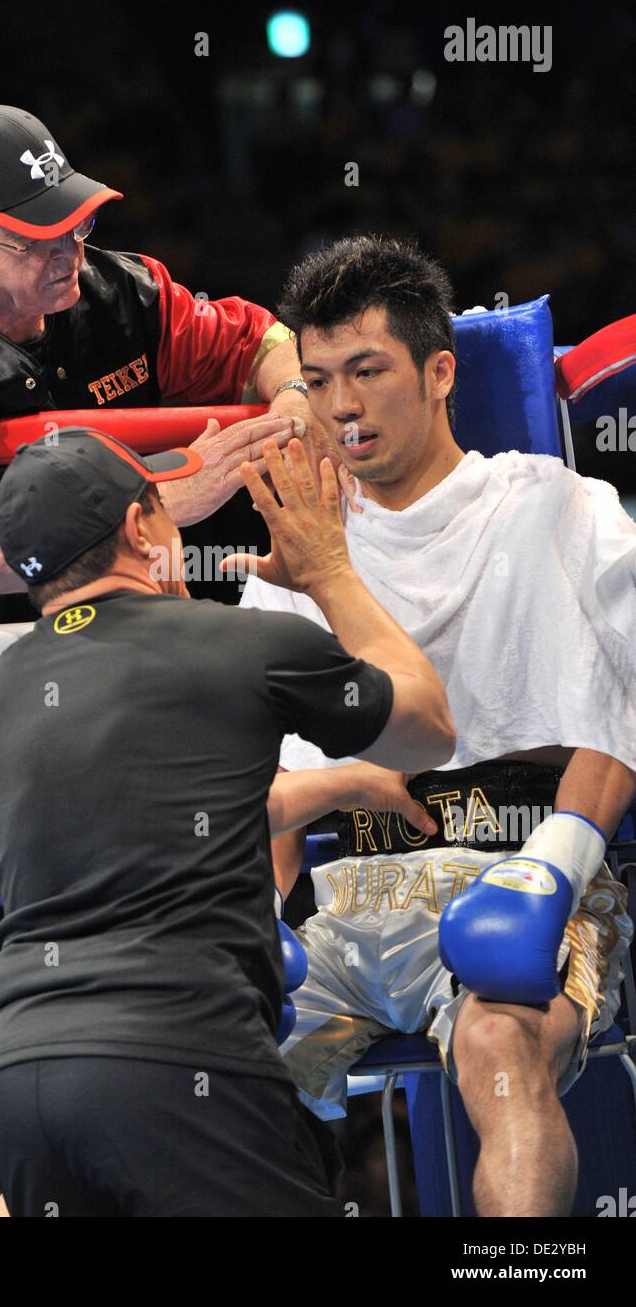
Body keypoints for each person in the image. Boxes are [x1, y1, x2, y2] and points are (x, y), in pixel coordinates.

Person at [0, 101, 325, 1218]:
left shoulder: (116, 291)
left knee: (126, 1049)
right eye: (33, 239)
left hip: (79, 731)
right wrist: (172, 490)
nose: (65, 249)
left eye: (71, 220)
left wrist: (290, 396)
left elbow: (251, 332)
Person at [231, 234, 636, 1217]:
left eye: (366, 371)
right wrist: (249, 938)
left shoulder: (551, 507)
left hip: (522, 868)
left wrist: (557, 863)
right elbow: (254, 790)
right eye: (318, 379)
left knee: (499, 1046)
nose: (339, 406)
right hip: (344, 900)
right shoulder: (293, 558)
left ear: (439, 370)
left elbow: (625, 699)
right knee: (183, 1069)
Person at [0, 425, 455, 1217]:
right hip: (178, 1061)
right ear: (138, 530)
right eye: (164, 512)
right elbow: (428, 726)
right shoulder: (242, 644)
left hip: (20, 1073)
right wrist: (329, 575)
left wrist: (337, 785)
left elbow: (162, 816)